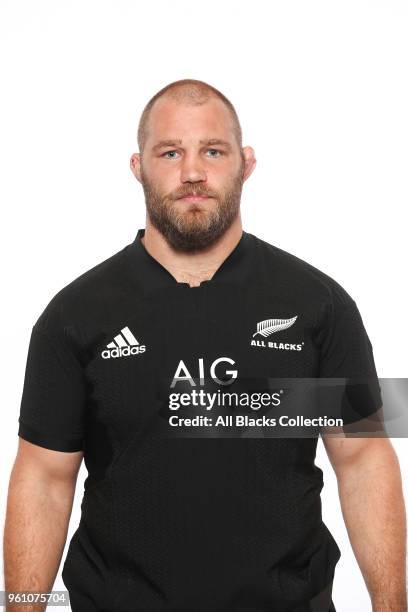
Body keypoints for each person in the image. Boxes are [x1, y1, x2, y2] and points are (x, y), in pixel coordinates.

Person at [4, 79, 406, 612]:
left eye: (212, 151)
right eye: (170, 152)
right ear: (137, 166)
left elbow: (361, 460)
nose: (192, 172)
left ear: (246, 163)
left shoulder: (316, 306)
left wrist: (393, 607)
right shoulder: (76, 317)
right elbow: (44, 478)